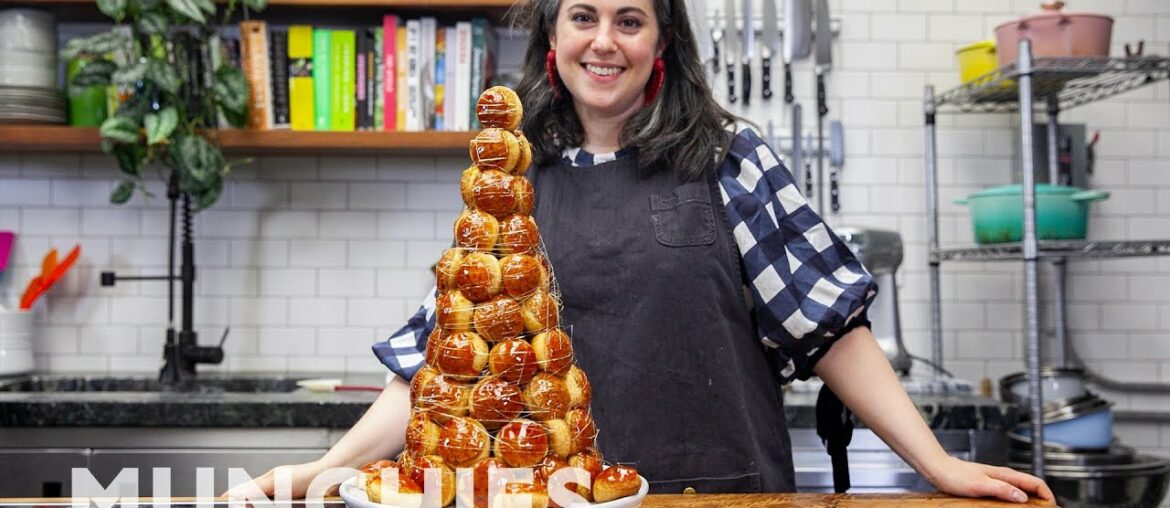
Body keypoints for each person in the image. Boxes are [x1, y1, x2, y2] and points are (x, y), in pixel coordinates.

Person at [233, 0, 1054, 503]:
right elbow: (441, 367)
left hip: (721, 501)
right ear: (552, 35)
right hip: (558, 501)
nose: (605, 41)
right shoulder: (517, 181)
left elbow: (831, 331)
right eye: (584, 17)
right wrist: (323, 469)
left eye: (631, 20)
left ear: (661, 42)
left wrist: (939, 463)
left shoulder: (730, 156)